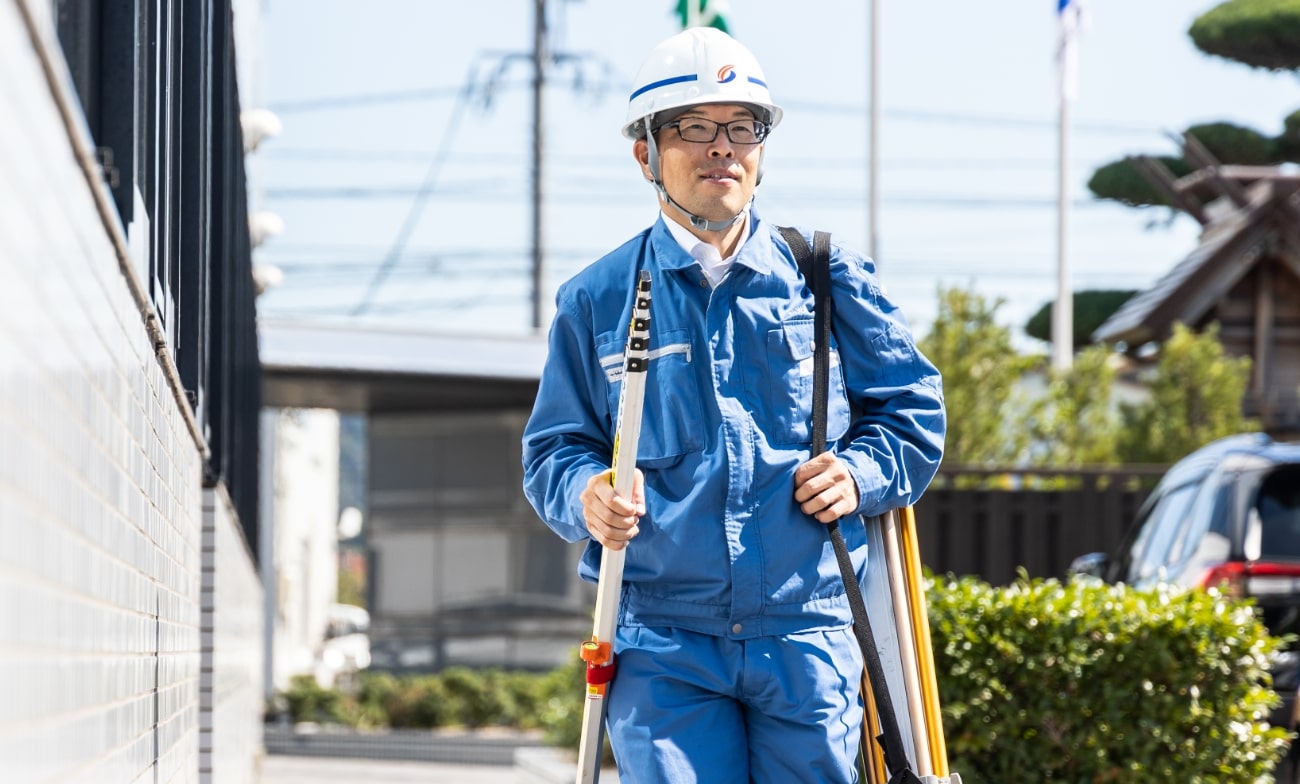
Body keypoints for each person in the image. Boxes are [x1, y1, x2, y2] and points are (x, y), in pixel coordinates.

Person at [522, 26, 946, 784]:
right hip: (661, 639)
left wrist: (860, 472)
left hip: (806, 629)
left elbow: (912, 412)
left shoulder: (824, 273)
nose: (722, 147)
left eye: (741, 127)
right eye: (693, 128)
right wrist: (586, 492)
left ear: (761, 148)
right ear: (645, 154)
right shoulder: (596, 300)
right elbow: (554, 449)